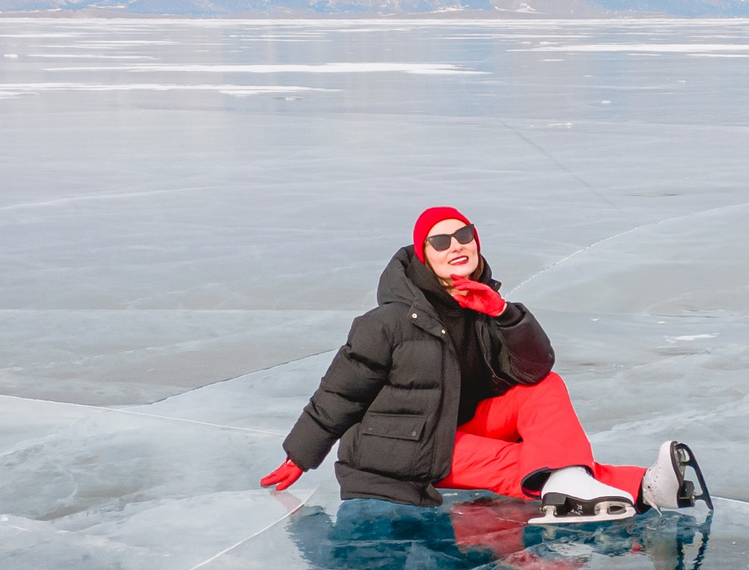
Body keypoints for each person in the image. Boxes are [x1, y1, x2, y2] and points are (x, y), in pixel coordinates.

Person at [259, 205, 707, 521]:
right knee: (524, 462)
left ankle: (591, 485)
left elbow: (533, 370)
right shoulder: (389, 321)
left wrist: (503, 313)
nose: (456, 245)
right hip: (404, 444)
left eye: (463, 235)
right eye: (440, 241)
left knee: (545, 389)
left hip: (462, 424)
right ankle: (643, 486)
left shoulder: (483, 303)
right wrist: (301, 454)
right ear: (423, 255)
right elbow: (341, 390)